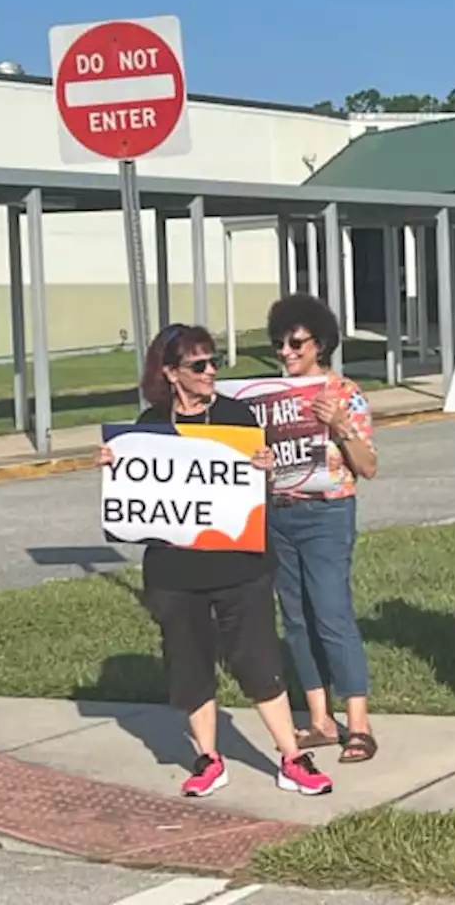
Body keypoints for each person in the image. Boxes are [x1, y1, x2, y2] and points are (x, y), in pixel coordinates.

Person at [98, 323, 333, 798]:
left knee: (257, 659)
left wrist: (265, 471)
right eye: (198, 365)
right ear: (171, 373)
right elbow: (139, 493)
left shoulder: (237, 417)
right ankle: (208, 758)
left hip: (239, 566)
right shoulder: (149, 425)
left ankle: (291, 756)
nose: (210, 373)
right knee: (189, 661)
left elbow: (252, 493)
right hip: (174, 570)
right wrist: (115, 463)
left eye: (213, 363)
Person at [266, 293, 379, 764]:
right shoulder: (269, 397)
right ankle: (319, 718)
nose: (287, 352)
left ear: (320, 343)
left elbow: (369, 467)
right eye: (280, 344)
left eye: (296, 342)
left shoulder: (344, 393)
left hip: (328, 513)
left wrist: (341, 427)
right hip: (279, 512)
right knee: (295, 619)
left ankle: (359, 723)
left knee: (332, 613)